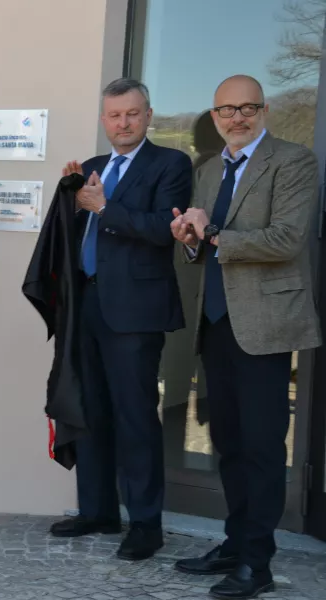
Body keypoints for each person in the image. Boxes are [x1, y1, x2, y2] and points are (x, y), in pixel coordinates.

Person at [171, 74, 320, 600]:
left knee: (259, 447)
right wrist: (191, 239)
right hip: (215, 322)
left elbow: (285, 239)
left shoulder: (293, 160)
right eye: (226, 110)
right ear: (214, 118)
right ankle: (235, 544)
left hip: (265, 325)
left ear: (263, 111)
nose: (237, 118)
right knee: (227, 443)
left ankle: (257, 563)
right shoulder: (209, 169)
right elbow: (206, 243)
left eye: (247, 108)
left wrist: (210, 233)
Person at [49, 78, 192, 561]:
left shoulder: (170, 163)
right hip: (85, 305)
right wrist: (69, 194)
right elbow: (71, 233)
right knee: (88, 410)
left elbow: (161, 231)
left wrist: (105, 206)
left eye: (132, 114)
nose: (123, 123)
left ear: (148, 115)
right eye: (114, 115)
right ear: (103, 119)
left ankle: (146, 525)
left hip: (135, 312)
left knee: (135, 418)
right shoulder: (92, 168)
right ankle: (98, 510)